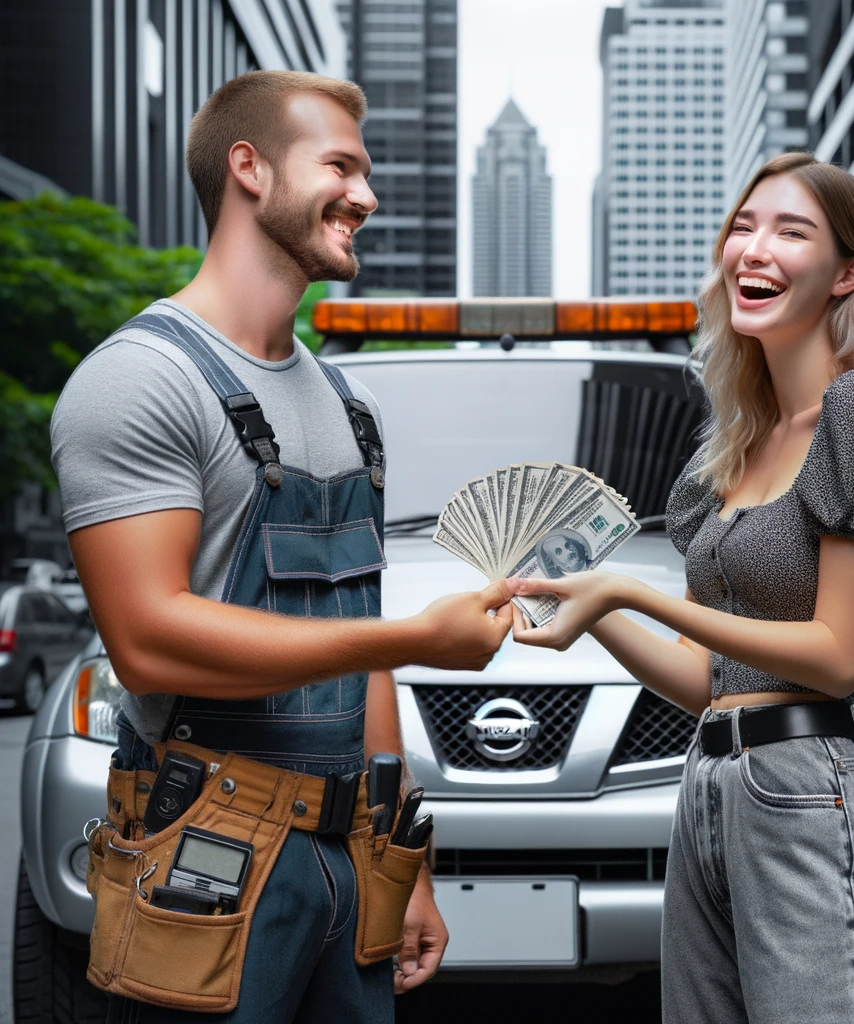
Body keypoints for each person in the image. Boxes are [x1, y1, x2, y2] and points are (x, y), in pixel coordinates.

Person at [51, 71, 512, 1023]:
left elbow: (363, 632)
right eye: (340, 165)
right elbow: (149, 639)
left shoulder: (354, 407)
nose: (368, 195)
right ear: (249, 169)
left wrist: (404, 861)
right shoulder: (138, 382)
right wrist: (412, 641)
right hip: (206, 854)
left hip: (350, 860)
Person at [505, 152, 854, 1023]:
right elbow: (704, 680)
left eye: (791, 231)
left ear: (846, 274)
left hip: (806, 790)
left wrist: (634, 595)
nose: (754, 248)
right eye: (742, 227)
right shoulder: (734, 451)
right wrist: (588, 609)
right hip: (707, 789)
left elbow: (836, 658)